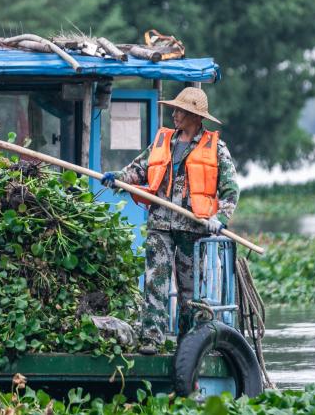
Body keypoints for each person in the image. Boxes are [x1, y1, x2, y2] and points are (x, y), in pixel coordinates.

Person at [101, 86, 239, 354]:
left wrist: (219, 217)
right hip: (160, 224)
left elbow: (231, 189)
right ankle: (152, 338)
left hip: (193, 228)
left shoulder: (216, 148)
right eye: (175, 110)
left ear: (194, 116)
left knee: (191, 291)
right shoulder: (163, 142)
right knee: (155, 280)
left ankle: (188, 343)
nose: (174, 114)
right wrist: (117, 178)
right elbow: (137, 170)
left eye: (180, 111)